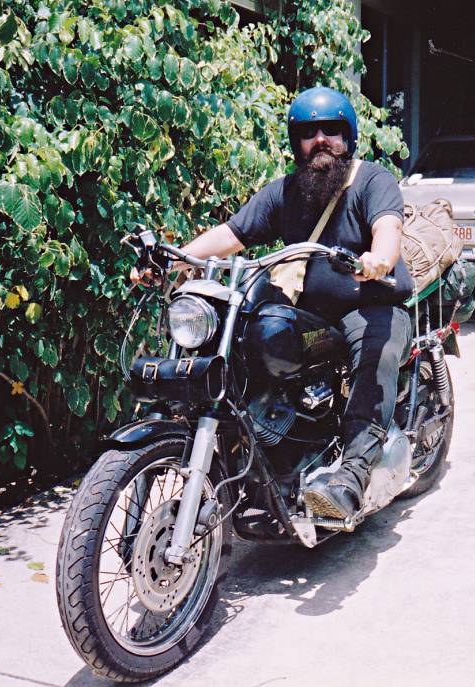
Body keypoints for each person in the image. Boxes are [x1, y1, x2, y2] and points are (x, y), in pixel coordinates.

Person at [132, 86, 413, 520]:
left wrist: (379, 260)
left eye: (332, 130)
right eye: (309, 132)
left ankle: (352, 475)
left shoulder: (372, 180)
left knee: (375, 353)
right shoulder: (285, 192)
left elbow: (388, 226)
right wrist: (174, 261)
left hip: (369, 303)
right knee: (252, 334)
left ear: (349, 135)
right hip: (310, 312)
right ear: (295, 141)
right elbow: (232, 233)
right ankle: (272, 447)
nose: (321, 140)